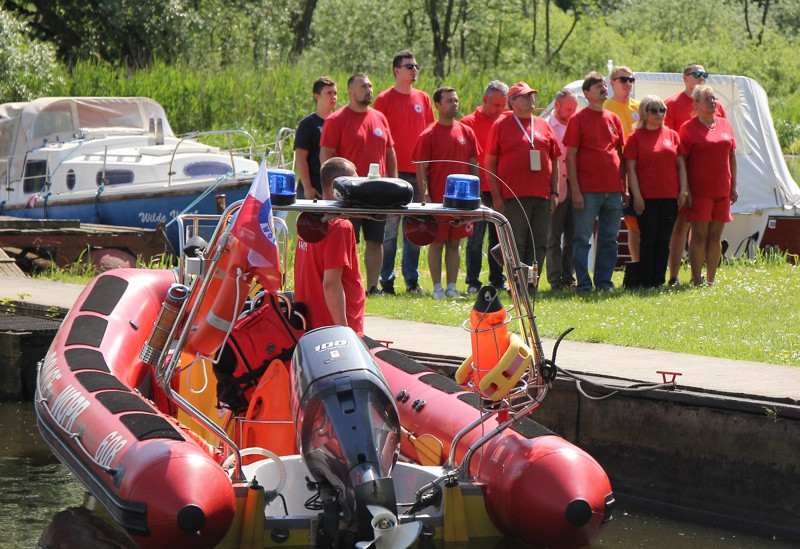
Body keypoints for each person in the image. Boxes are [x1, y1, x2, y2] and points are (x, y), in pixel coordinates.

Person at [320, 73, 398, 296]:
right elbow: (325, 157)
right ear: (351, 92)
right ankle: (345, 284)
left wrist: (394, 183)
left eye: (371, 85)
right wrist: (331, 190)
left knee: (375, 240)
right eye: (364, 86)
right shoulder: (336, 120)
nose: (370, 89)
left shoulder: (379, 118)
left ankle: (373, 286)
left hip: (379, 194)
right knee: (346, 241)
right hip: (348, 195)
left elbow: (390, 152)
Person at [485, 82, 561, 295]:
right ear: (513, 101)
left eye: (532, 96)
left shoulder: (543, 125)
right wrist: (497, 197)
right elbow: (489, 163)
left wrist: (554, 192)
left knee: (539, 242)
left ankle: (531, 285)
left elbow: (554, 160)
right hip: (513, 195)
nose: (531, 99)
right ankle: (516, 284)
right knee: (515, 242)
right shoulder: (501, 125)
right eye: (526, 96)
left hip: (542, 195)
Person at [374, 50, 434, 295]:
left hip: (418, 173)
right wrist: (386, 173)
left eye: (416, 65)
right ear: (396, 70)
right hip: (393, 175)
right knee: (390, 232)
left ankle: (411, 280)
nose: (414, 69)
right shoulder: (383, 99)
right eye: (409, 66)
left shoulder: (424, 98)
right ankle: (386, 280)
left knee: (415, 230)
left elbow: (429, 133)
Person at [413, 86, 479, 299]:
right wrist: (427, 199)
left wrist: (474, 195)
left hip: (462, 201)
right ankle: (437, 287)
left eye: (456, 100)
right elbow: (421, 169)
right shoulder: (428, 135)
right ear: (438, 105)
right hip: (438, 200)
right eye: (449, 101)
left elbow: (473, 164)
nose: (455, 104)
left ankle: (451, 286)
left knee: (455, 242)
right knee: (437, 242)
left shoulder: (466, 132)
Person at [563, 71, 627, 292]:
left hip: (613, 191)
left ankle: (604, 282)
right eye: (597, 85)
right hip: (588, 191)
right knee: (582, 239)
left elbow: (620, 154)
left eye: (604, 84)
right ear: (587, 93)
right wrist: (576, 192)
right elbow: (569, 158)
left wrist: (624, 188)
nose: (603, 88)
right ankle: (583, 284)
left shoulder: (614, 119)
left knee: (609, 239)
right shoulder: (578, 120)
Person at [664, 64, 727, 286]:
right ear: (685, 78)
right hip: (683, 176)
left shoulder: (717, 109)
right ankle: (673, 275)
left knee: (704, 230)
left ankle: (702, 277)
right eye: (696, 74)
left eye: (704, 74)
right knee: (680, 226)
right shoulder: (672, 104)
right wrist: (681, 184)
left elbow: (724, 139)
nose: (701, 78)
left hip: (713, 182)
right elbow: (668, 141)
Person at [293, 157, 365, 335]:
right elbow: (331, 284)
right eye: (353, 184)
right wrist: (344, 333)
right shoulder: (339, 226)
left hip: (310, 329)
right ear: (338, 188)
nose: (358, 190)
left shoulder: (308, 221)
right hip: (334, 332)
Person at [624, 95, 688, 287]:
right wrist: (636, 195)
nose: (659, 114)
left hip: (670, 196)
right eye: (654, 110)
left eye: (662, 110)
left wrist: (683, 190)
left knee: (664, 239)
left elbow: (681, 166)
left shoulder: (672, 135)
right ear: (644, 113)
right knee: (648, 238)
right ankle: (646, 280)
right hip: (646, 197)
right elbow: (630, 169)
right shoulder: (635, 137)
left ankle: (659, 280)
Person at [678, 84, 737, 286]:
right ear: (696, 104)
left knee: (715, 236)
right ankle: (696, 279)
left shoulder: (725, 125)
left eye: (714, 99)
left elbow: (732, 156)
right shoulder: (688, 128)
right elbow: (682, 163)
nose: (713, 102)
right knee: (699, 236)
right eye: (708, 99)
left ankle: (711, 280)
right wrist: (686, 190)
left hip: (722, 190)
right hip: (699, 192)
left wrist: (734, 186)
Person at [461, 80, 509, 294]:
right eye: (496, 105)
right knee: (475, 238)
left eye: (503, 106)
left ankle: (497, 279)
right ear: (485, 100)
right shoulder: (468, 123)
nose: (499, 110)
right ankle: (472, 281)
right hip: (477, 189)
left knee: (498, 237)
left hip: (499, 187)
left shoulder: (506, 122)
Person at [604, 65, 641, 264]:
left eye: (631, 79)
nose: (628, 83)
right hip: (617, 170)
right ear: (612, 83)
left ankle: (646, 264)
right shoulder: (606, 108)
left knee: (642, 221)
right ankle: (636, 264)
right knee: (631, 224)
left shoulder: (639, 107)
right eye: (623, 79)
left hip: (640, 170)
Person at [546, 88, 578, 291]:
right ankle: (555, 280)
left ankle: (569, 276)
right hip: (556, 188)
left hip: (574, 188)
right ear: (557, 105)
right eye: (568, 109)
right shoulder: (546, 126)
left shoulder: (576, 124)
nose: (572, 113)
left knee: (573, 236)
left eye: (574, 109)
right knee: (553, 237)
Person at [294, 76, 337, 199]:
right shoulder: (308, 124)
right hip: (313, 189)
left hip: (334, 189)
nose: (333, 97)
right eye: (329, 93)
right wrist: (308, 188)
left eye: (335, 93)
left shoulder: (338, 122)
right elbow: (300, 158)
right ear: (317, 96)